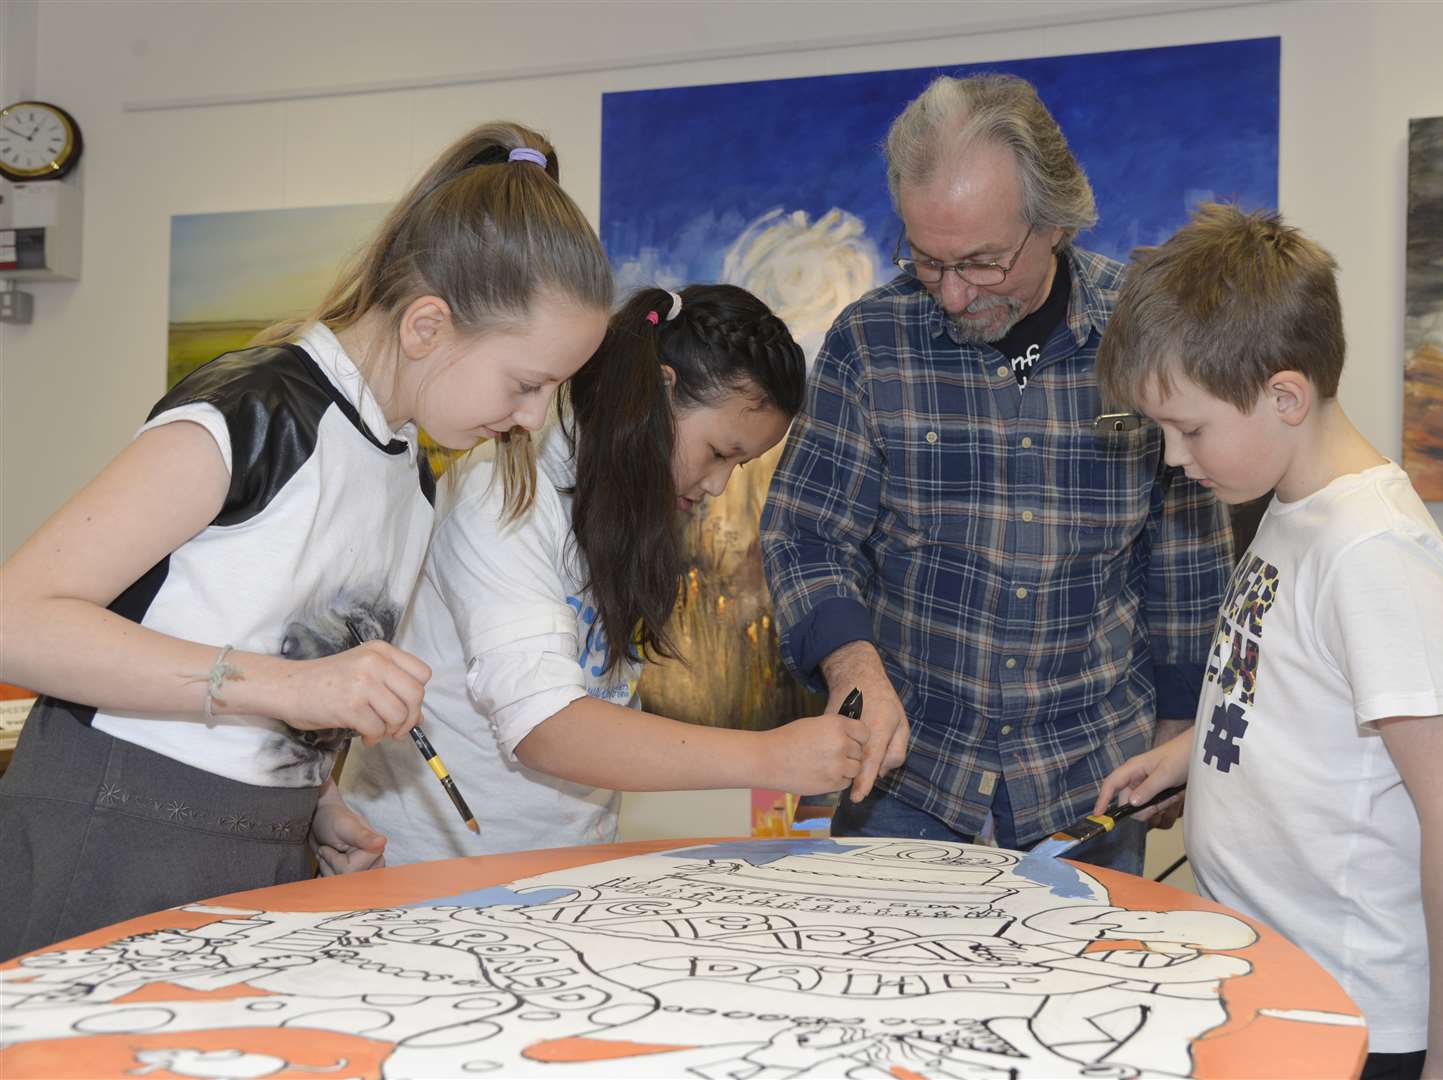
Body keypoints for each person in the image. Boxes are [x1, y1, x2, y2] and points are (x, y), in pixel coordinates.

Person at [0, 122, 615, 960]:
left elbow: (264, 646)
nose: (534, 418)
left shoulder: (411, 470)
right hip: (113, 835)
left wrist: (313, 801)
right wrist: (290, 688)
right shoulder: (260, 413)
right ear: (428, 327)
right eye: (528, 383)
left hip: (259, 848)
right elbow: (19, 619)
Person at [759, 74, 1231, 865]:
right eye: (926, 260)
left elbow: (1185, 549)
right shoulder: (871, 341)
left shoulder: (1141, 332)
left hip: (1090, 772)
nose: (950, 294)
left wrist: (1182, 725)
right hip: (906, 772)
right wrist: (853, 663)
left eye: (980, 262)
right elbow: (805, 533)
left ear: (1054, 224)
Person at [1090, 203, 1443, 1079]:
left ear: (1284, 396)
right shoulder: (1291, 509)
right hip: (1274, 979)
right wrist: (1188, 760)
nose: (1173, 459)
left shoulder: (1373, 552)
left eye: (1190, 428)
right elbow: (1285, 692)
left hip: (1355, 1016)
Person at [341, 285, 867, 864]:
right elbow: (546, 728)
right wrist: (769, 759)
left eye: (739, 466)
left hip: (559, 864)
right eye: (719, 452)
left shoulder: (625, 506)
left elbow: (601, 707)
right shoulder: (505, 490)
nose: (719, 485)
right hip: (434, 869)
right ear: (661, 392)